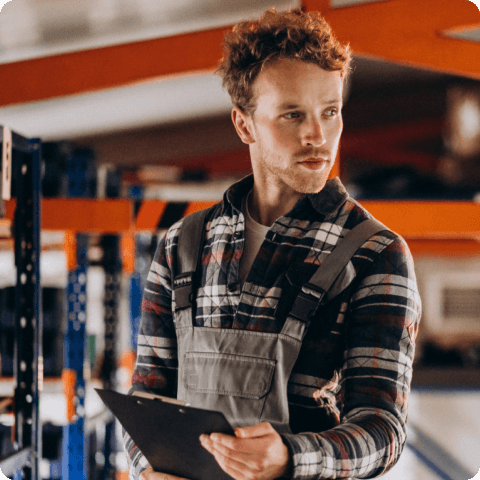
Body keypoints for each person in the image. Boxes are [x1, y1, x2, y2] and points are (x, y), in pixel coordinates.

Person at [124, 8, 421, 480]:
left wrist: (289, 456)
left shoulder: (375, 254)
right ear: (245, 126)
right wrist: (147, 467)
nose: (317, 136)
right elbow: (148, 396)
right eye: (292, 114)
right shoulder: (182, 245)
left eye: (330, 111)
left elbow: (383, 431)